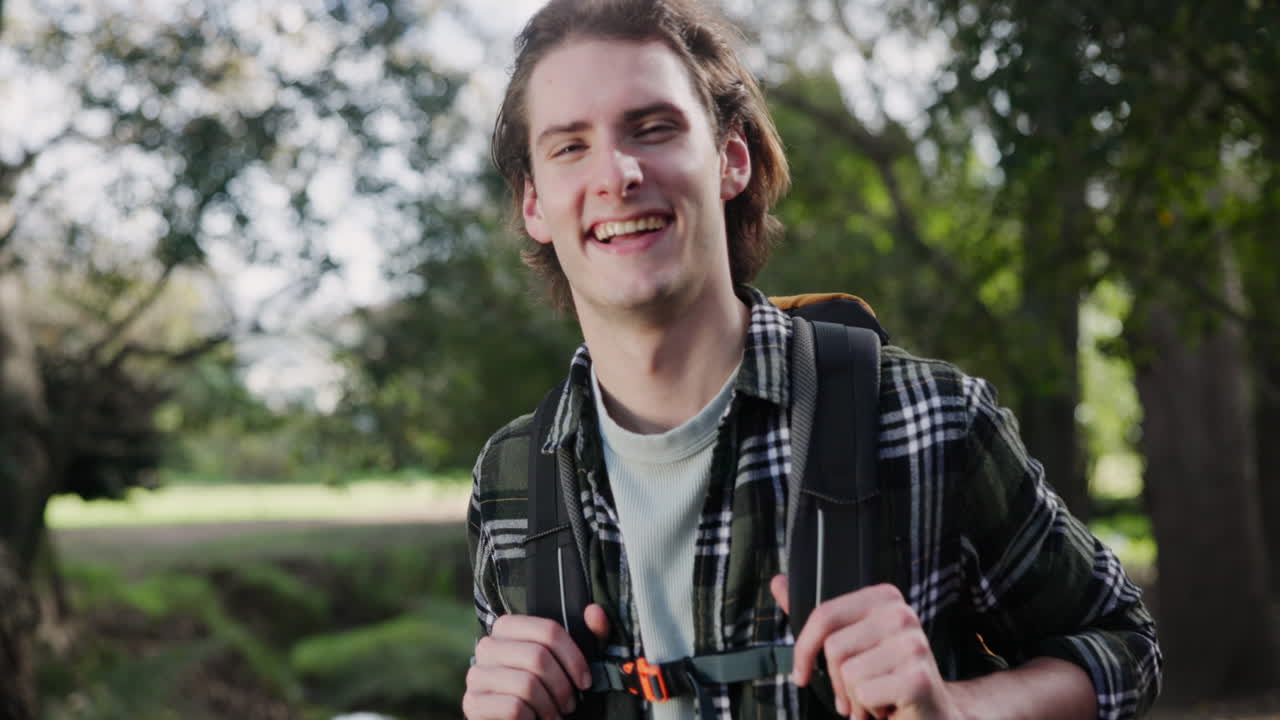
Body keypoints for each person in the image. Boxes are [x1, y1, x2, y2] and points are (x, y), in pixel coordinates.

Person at [463, 1, 1162, 718]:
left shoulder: (927, 417)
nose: (617, 174)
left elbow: (1124, 648)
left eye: (654, 128)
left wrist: (955, 709)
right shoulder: (509, 478)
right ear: (534, 204)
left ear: (731, 157)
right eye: (570, 147)